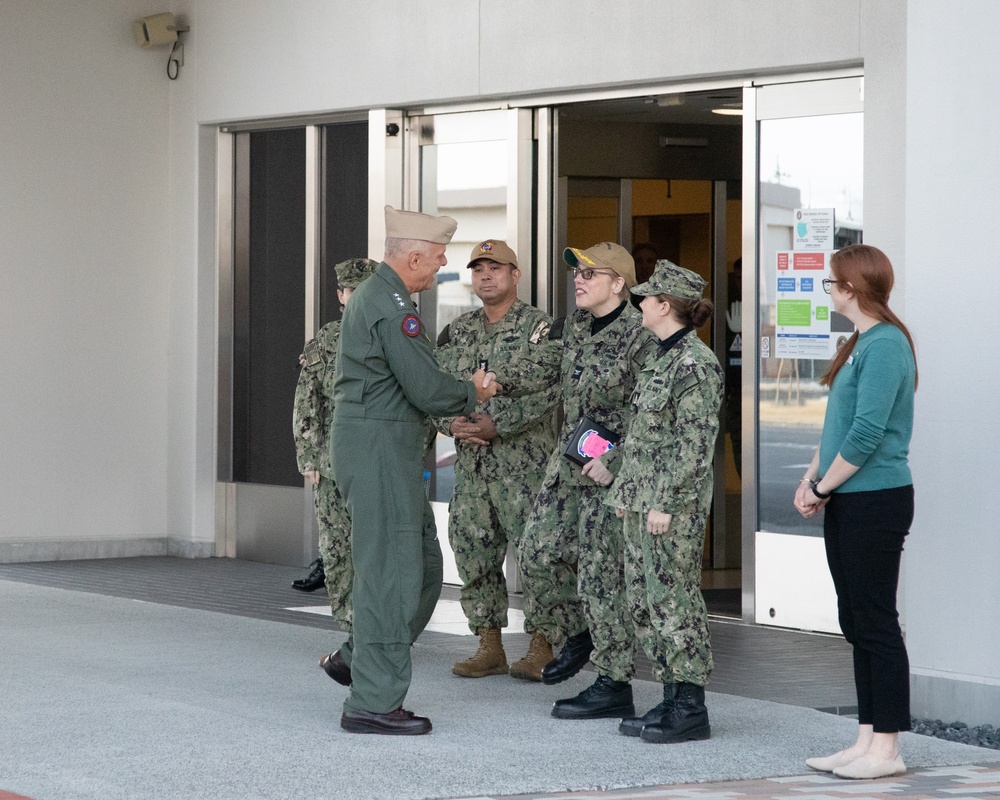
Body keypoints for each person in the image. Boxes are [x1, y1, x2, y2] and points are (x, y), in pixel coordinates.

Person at [330, 206, 497, 736]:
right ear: (414, 255)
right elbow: (424, 387)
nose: (445, 263)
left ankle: (358, 657)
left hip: (388, 450)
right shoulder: (388, 304)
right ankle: (373, 701)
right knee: (390, 576)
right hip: (378, 449)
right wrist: (475, 391)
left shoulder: (388, 297)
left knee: (422, 567)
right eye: (440, 255)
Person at [513, 243, 656, 722]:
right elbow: (544, 370)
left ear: (619, 284)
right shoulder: (574, 325)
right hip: (567, 464)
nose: (579, 279)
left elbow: (653, 413)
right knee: (535, 552)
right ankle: (577, 634)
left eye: (592, 274)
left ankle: (613, 682)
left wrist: (615, 458)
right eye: (577, 271)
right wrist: (487, 382)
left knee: (601, 577)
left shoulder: (641, 336)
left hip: (609, 475)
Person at [795, 244, 917, 779]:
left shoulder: (886, 344)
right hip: (849, 496)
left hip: (877, 498)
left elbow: (867, 434)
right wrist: (810, 479)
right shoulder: (860, 341)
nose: (829, 290)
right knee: (856, 620)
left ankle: (887, 750)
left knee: (876, 621)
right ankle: (867, 738)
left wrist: (823, 487)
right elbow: (841, 426)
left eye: (832, 283)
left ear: (853, 288)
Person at [607, 259, 723, 743]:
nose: (639, 304)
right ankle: (671, 696)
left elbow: (694, 446)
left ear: (664, 306)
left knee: (673, 599)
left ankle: (691, 703)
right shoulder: (659, 358)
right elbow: (644, 438)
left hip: (668, 507)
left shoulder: (696, 364)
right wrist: (623, 489)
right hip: (639, 501)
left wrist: (666, 503)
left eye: (646, 298)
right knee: (645, 600)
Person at [434, 240, 559, 679]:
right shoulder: (457, 330)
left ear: (515, 275)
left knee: (538, 555)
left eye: (496, 268)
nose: (486, 275)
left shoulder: (539, 330)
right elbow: (434, 387)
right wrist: (452, 425)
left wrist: (497, 423)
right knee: (473, 552)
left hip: (525, 468)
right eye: (478, 268)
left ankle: (543, 644)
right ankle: (489, 644)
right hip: (472, 471)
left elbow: (550, 390)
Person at [292, 258, 376, 653]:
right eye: (350, 291)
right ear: (341, 295)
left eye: (365, 290)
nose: (357, 298)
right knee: (338, 550)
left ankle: (381, 631)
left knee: (377, 551)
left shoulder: (394, 334)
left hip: (378, 462)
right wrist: (309, 455)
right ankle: (352, 631)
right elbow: (307, 401)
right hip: (332, 465)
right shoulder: (326, 340)